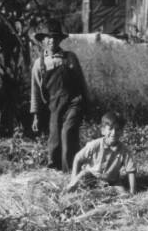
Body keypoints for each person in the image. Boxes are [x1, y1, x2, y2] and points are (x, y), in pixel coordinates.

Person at [30, 18, 89, 172]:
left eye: (55, 37)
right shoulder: (39, 64)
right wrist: (36, 115)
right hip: (54, 107)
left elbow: (81, 82)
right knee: (55, 138)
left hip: (73, 102)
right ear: (42, 40)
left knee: (68, 133)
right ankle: (55, 169)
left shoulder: (70, 58)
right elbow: (36, 91)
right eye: (48, 37)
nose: (52, 41)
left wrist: (87, 102)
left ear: (60, 39)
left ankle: (71, 170)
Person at [65, 111, 137, 194]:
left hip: (112, 180)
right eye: (110, 129)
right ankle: (68, 191)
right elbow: (78, 158)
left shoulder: (124, 150)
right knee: (76, 182)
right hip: (90, 174)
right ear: (103, 131)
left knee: (125, 194)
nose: (113, 133)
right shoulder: (94, 145)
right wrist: (73, 178)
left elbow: (131, 170)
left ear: (122, 132)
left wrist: (132, 191)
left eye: (117, 129)